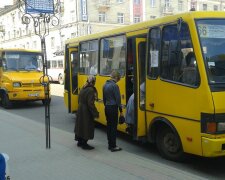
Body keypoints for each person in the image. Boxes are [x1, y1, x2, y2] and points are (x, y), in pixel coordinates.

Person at [74, 75, 99, 150]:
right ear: (93, 82)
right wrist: (95, 113)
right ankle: (84, 143)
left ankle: (80, 141)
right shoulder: (91, 90)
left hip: (80, 109)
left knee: (80, 125)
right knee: (87, 126)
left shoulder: (83, 87)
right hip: (86, 111)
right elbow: (90, 103)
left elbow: (79, 99)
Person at [103, 70, 123, 152]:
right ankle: (113, 146)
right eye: (119, 79)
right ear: (116, 78)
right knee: (114, 127)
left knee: (109, 126)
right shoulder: (114, 86)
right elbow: (118, 100)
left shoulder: (105, 85)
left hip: (107, 107)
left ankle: (109, 144)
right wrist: (121, 111)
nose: (118, 80)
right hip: (113, 108)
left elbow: (104, 99)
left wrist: (106, 105)